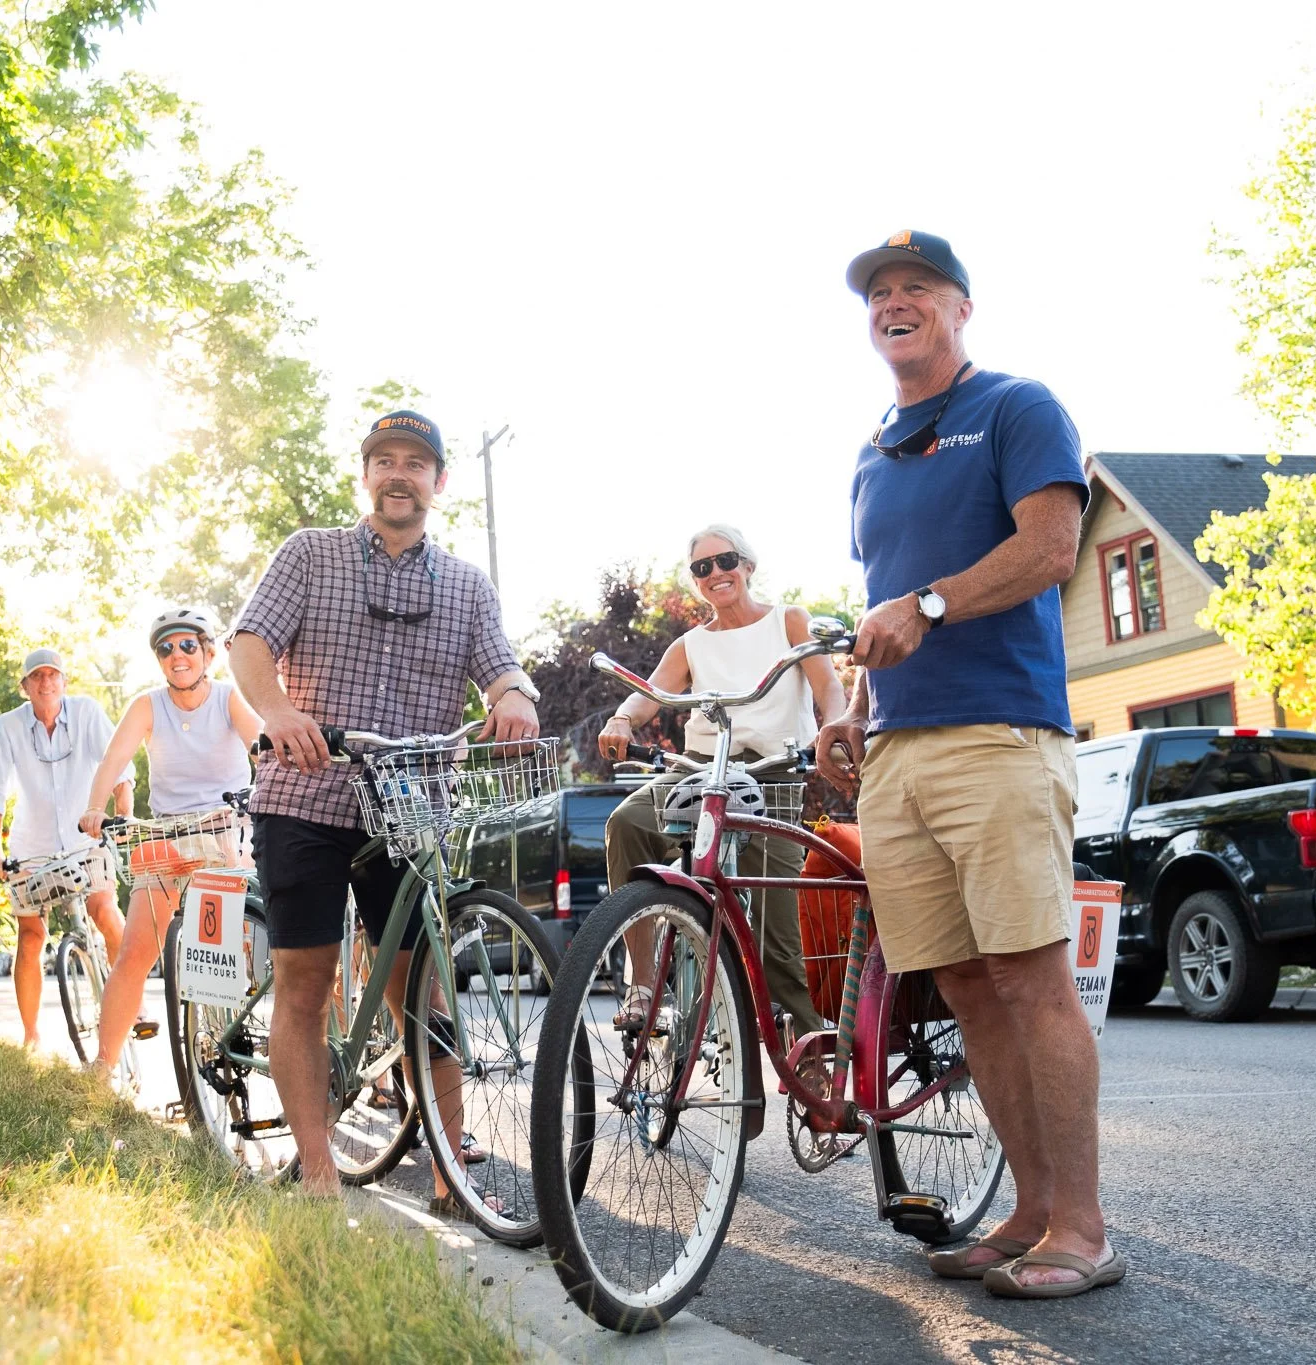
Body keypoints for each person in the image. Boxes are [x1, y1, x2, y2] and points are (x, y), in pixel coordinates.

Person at [816, 230, 1119, 1299]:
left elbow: (1047, 549)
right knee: (962, 988)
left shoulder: (1014, 406)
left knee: (1030, 977)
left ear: (959, 308)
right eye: (878, 294)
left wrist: (932, 605)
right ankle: (1028, 1212)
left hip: (998, 733)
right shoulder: (871, 451)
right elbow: (881, 604)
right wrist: (851, 706)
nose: (893, 303)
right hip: (896, 751)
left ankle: (1082, 1229)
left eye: (916, 290)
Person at [228, 407, 541, 1210]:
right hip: (307, 792)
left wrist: (515, 699)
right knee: (306, 981)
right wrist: (279, 713)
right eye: (385, 460)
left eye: (415, 462)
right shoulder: (310, 553)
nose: (399, 473)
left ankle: (448, 1170)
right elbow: (251, 644)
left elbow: (502, 668)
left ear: (438, 482)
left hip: (408, 811)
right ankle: (320, 1171)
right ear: (366, 476)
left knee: (421, 992)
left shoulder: (467, 585)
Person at [594, 525, 845, 1043]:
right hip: (702, 771)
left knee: (777, 932)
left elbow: (829, 688)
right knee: (626, 825)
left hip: (772, 772)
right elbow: (651, 693)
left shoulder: (788, 621)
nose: (715, 574)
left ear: (748, 565)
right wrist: (622, 718)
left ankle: (809, 1045)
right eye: (701, 568)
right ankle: (644, 984)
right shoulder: (691, 644)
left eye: (724, 560)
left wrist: (837, 731)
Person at [78, 607, 261, 1079]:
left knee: (232, 949)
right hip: (169, 836)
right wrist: (95, 807)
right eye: (165, 648)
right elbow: (113, 761)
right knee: (136, 950)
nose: (176, 656)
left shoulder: (227, 698)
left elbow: (260, 744)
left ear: (207, 652)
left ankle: (237, 1029)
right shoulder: (147, 705)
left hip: (225, 831)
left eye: (186, 645)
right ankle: (102, 1068)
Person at [0, 648, 133, 1050]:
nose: (46, 683)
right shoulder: (7, 726)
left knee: (105, 910)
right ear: (25, 687)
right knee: (31, 937)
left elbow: (119, 768)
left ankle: (133, 1006)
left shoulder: (86, 714)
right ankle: (30, 1036)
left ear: (65, 681)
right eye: (37, 677)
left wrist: (122, 820)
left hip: (87, 838)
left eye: (53, 675)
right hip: (33, 846)